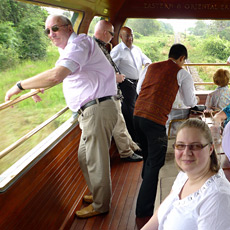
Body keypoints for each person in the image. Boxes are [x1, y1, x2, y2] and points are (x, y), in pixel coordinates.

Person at [5, 15, 118, 218]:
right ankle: (98, 193)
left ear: (68, 28)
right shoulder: (69, 50)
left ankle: (102, 204)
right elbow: (64, 74)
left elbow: (57, 75)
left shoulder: (80, 43)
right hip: (91, 111)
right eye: (47, 31)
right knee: (85, 157)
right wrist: (38, 87)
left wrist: (20, 85)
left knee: (96, 160)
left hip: (98, 110)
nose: (51, 34)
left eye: (54, 28)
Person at [141, 119, 230, 230]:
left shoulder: (220, 200)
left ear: (210, 149)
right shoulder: (185, 175)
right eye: (180, 146)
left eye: (195, 146)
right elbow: (162, 212)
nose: (186, 152)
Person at [134, 44, 198, 218]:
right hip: (154, 121)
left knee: (148, 157)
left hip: (137, 117)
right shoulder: (181, 73)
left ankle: (145, 185)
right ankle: (143, 210)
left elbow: (140, 90)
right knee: (156, 163)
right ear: (182, 58)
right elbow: (190, 100)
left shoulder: (150, 67)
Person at [93, 20, 143, 162]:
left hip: (113, 93)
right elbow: (97, 73)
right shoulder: (95, 48)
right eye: (111, 33)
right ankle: (127, 152)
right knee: (120, 124)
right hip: (106, 95)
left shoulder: (102, 47)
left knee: (121, 122)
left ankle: (132, 146)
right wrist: (116, 77)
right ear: (104, 32)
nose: (112, 37)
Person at [111, 26, 152, 144]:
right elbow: (110, 68)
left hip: (138, 83)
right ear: (121, 37)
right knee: (129, 113)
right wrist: (117, 76)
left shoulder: (136, 49)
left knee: (139, 110)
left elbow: (146, 59)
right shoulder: (117, 51)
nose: (130, 38)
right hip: (126, 85)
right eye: (127, 36)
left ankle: (139, 135)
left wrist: (147, 63)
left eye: (131, 35)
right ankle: (134, 140)